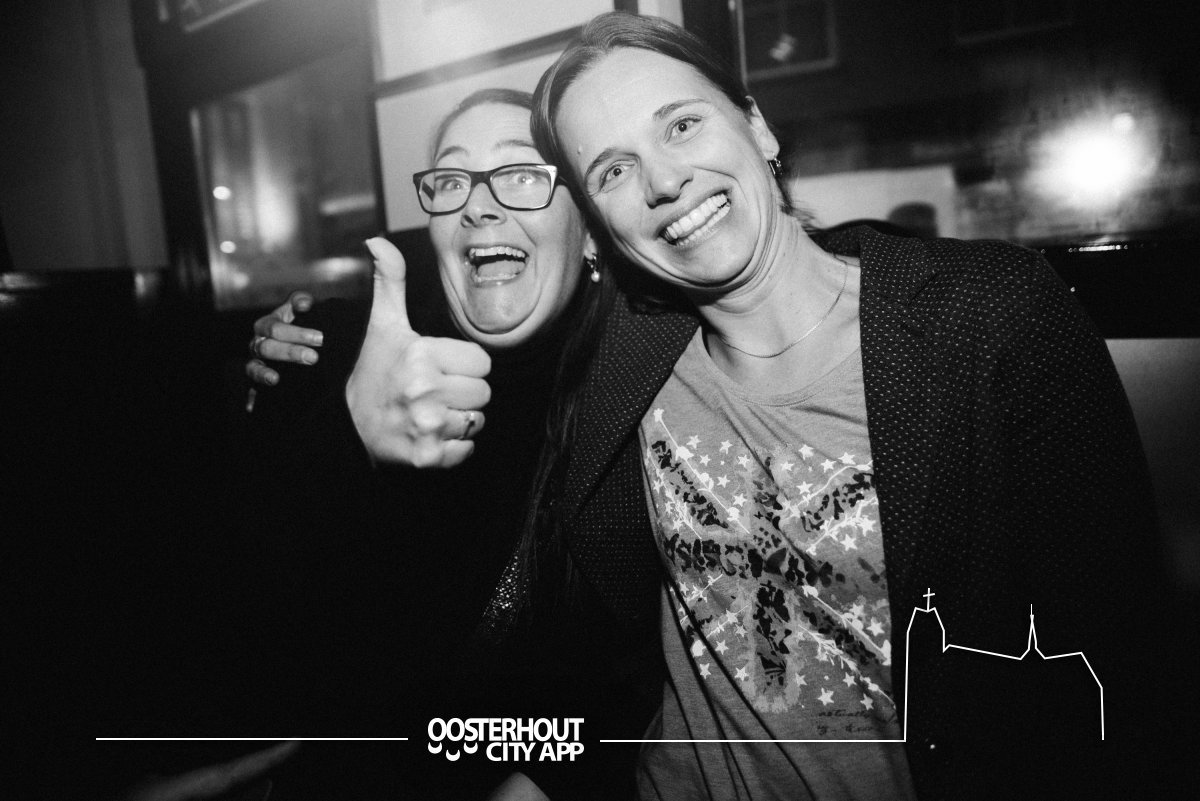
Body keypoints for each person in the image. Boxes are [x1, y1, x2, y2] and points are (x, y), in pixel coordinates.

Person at [248, 11, 1168, 801]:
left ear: (758, 126)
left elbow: (1120, 663)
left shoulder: (983, 315)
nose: (660, 181)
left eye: (682, 125)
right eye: (612, 170)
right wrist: (322, 410)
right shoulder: (608, 359)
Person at [237, 87, 682, 801]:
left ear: (591, 232)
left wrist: (548, 777)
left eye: (521, 173)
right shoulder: (334, 350)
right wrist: (346, 435)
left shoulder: (651, 394)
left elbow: (641, 672)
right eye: (451, 180)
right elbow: (245, 634)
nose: (478, 205)